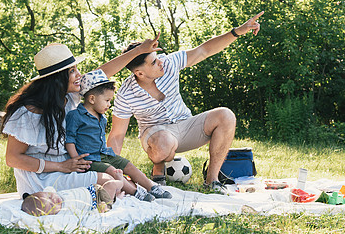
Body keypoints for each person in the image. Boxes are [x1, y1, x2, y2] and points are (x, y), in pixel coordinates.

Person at [107, 12, 264, 194]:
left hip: (186, 126)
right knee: (163, 142)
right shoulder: (126, 93)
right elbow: (117, 135)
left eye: (157, 58)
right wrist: (111, 170)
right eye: (153, 62)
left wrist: (237, 32)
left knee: (226, 115)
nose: (160, 63)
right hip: (156, 135)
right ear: (139, 73)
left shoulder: (168, 63)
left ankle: (212, 180)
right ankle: (158, 169)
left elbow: (204, 50)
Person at [1, 35, 160, 196]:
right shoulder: (28, 112)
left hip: (71, 165)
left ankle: (145, 191)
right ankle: (137, 195)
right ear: (57, 79)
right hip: (42, 178)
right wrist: (61, 166)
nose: (79, 75)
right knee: (109, 181)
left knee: (116, 179)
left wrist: (139, 50)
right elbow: (13, 159)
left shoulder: (68, 97)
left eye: (76, 69)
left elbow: (102, 73)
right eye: (72, 71)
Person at [65, 69, 172, 201]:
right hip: (89, 160)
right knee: (112, 171)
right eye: (107, 100)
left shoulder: (101, 117)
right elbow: (69, 140)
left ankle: (151, 187)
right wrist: (76, 160)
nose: (109, 105)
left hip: (105, 154)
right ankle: (136, 192)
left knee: (128, 165)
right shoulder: (75, 115)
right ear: (92, 99)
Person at [21, 177, 123, 216]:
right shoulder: (66, 211)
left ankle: (116, 196)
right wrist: (97, 211)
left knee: (108, 187)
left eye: (49, 196)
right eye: (52, 204)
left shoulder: (54, 194)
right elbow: (85, 215)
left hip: (92, 189)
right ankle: (121, 182)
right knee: (110, 185)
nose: (54, 198)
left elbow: (48, 189)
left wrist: (30, 197)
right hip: (98, 201)